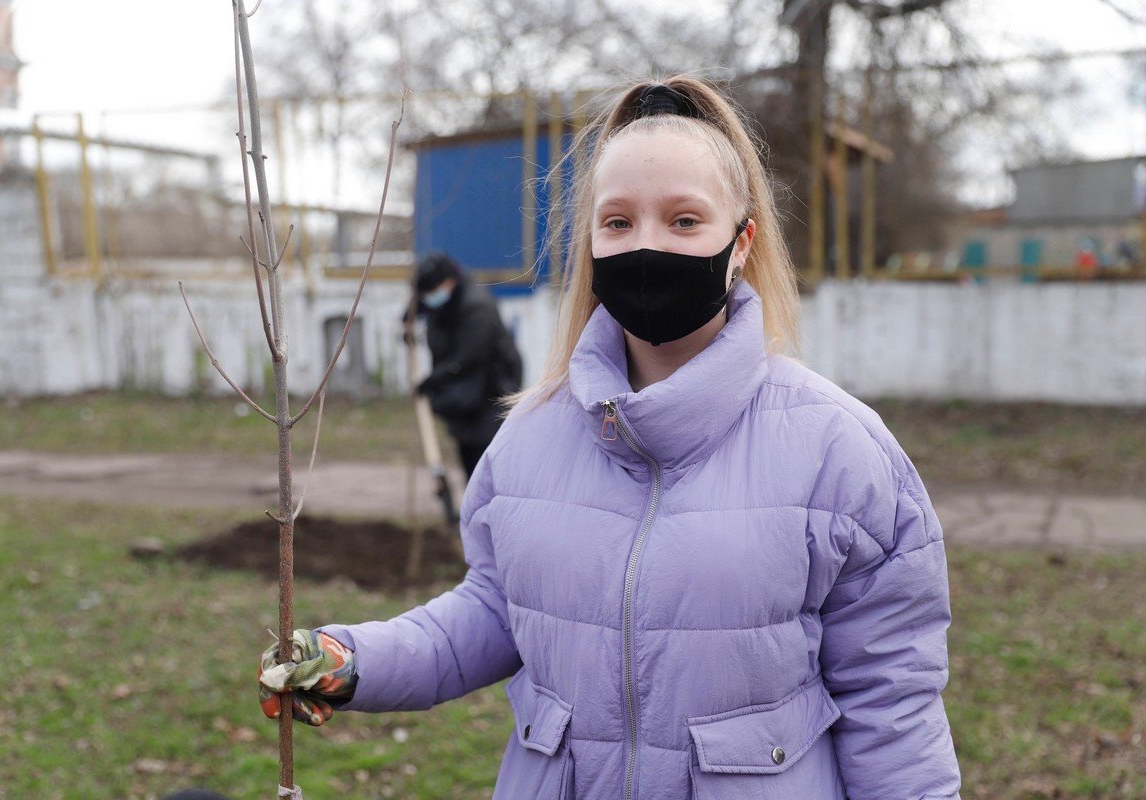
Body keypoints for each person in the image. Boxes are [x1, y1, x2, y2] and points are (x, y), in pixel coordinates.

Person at [259, 76, 962, 799]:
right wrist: (354, 658)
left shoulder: (840, 450)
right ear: (592, 245)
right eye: (618, 222)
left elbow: (892, 704)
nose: (646, 244)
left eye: (684, 220)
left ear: (741, 242)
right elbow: (495, 612)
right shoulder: (529, 438)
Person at [405, 251, 523, 479]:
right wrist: (406, 322)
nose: (429, 297)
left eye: (432, 291)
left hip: (491, 394)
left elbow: (467, 359)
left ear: (449, 282)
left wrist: (432, 380)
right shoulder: (444, 296)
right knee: (467, 454)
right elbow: (418, 305)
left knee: (486, 463)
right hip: (464, 400)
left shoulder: (478, 308)